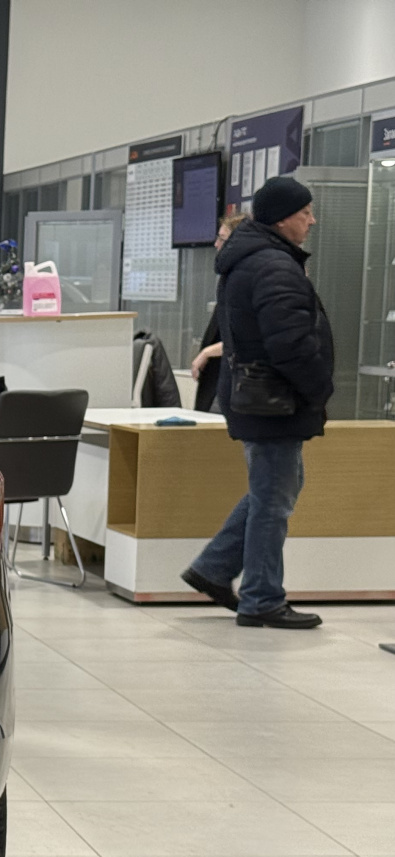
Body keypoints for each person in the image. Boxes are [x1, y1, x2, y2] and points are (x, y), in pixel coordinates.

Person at [181, 174, 333, 629]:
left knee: (275, 490)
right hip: (273, 401)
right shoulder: (273, 266)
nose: (311, 221)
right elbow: (289, 343)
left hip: (257, 397)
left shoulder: (254, 259)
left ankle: (213, 567)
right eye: (305, 213)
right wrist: (318, 388)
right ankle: (262, 598)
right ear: (284, 218)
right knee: (273, 502)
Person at [188, 211, 250, 411]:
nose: (216, 245)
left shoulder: (246, 280)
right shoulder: (228, 278)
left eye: (222, 239)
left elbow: (245, 335)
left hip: (238, 379)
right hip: (220, 374)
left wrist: (208, 352)